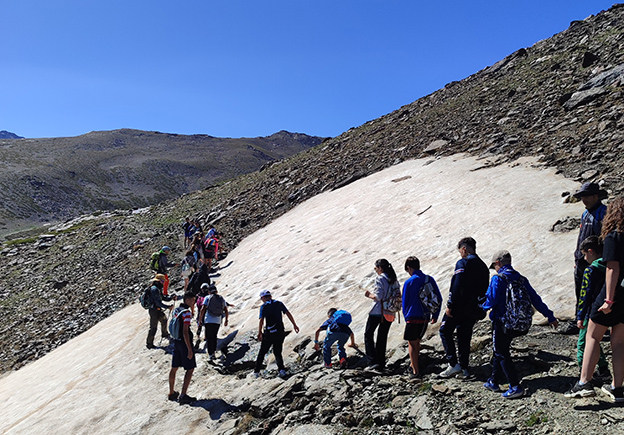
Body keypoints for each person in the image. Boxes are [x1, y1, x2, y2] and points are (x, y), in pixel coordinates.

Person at [565, 196, 624, 402]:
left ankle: (584, 382)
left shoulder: (613, 236)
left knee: (592, 336)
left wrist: (608, 299)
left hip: (613, 294)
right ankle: (617, 387)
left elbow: (612, 267)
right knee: (618, 343)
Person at [482, 250, 558, 399]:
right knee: (499, 348)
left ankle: (515, 386)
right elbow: (535, 299)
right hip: (520, 323)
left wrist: (481, 307)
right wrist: (549, 316)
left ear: (498, 263)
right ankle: (493, 381)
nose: (495, 269)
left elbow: (491, 301)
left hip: (502, 322)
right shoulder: (521, 279)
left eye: (495, 266)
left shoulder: (498, 279)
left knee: (501, 351)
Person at [439, 237, 490, 378]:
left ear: (464, 249)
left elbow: (457, 285)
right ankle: (464, 367)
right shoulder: (483, 266)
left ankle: (453, 364)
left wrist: (450, 305)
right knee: (464, 335)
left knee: (445, 330)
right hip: (475, 308)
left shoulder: (463, 263)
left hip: (459, 306)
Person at [562, 182, 608, 335]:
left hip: (596, 261)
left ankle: (598, 322)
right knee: (581, 291)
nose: (584, 200)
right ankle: (579, 319)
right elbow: (580, 237)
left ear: (596, 196)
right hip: (581, 260)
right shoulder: (585, 214)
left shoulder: (603, 213)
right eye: (582, 197)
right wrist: (577, 257)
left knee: (594, 291)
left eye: (587, 196)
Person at [573, 236, 609, 380]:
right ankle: (603, 370)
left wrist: (580, 316)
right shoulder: (611, 267)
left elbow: (584, 295)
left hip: (592, 313)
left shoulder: (590, 270)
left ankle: (586, 375)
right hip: (610, 309)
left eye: (585, 254)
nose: (584, 258)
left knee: (584, 343)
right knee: (595, 341)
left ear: (591, 251)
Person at [402, 256, 443, 377]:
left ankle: (415, 371)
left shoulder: (409, 282)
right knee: (417, 341)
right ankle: (413, 365)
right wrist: (435, 314)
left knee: (411, 343)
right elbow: (438, 298)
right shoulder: (428, 279)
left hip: (412, 317)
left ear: (409, 268)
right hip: (425, 316)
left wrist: (406, 316)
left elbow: (405, 302)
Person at [363, 258, 400, 372]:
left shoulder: (380, 278)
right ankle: (381, 363)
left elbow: (379, 296)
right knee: (382, 337)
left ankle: (372, 361)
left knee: (368, 334)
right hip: (390, 311)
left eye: (376, 268)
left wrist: (369, 295)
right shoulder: (394, 279)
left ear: (380, 268)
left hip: (378, 311)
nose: (376, 270)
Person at [253, 290, 299, 378]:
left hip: (269, 333)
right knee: (277, 352)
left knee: (262, 352)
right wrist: (294, 325)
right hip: (280, 332)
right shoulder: (279, 303)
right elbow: (288, 313)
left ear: (263, 298)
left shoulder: (264, 306)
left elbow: (261, 320)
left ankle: (256, 372)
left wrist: (260, 333)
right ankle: (281, 370)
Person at [168, 291, 198, 405]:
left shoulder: (177, 310)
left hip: (176, 341)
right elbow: (185, 332)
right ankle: (183, 395)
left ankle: (171, 392)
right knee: (190, 369)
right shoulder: (186, 313)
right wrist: (190, 349)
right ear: (187, 300)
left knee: (174, 367)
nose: (194, 302)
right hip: (184, 343)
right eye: (192, 300)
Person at [198, 284, 229, 360]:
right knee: (214, 336)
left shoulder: (207, 298)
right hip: (217, 321)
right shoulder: (221, 298)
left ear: (209, 292)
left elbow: (203, 308)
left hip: (209, 320)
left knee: (209, 337)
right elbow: (226, 310)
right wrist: (226, 320)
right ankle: (214, 352)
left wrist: (200, 319)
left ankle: (210, 354)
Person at [146, 274, 176, 349]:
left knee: (164, 320)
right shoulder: (155, 289)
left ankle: (164, 333)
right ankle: (149, 344)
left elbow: (163, 298)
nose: (163, 283)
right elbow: (158, 302)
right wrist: (168, 307)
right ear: (159, 281)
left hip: (156, 309)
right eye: (162, 281)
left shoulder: (157, 288)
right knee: (153, 327)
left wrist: (171, 298)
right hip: (154, 311)